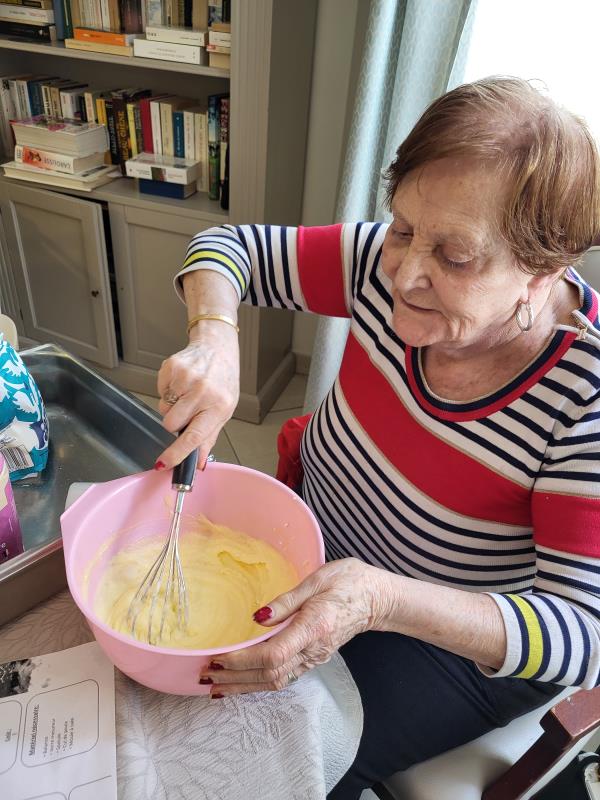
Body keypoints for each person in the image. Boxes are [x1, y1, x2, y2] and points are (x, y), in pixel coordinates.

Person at [155, 77, 600, 798]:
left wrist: (379, 600)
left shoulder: (585, 398)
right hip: (321, 545)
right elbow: (225, 246)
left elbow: (580, 637)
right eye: (401, 227)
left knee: (258, 760)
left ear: (542, 273)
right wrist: (214, 337)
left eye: (455, 257)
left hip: (443, 645)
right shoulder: (381, 260)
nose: (404, 273)